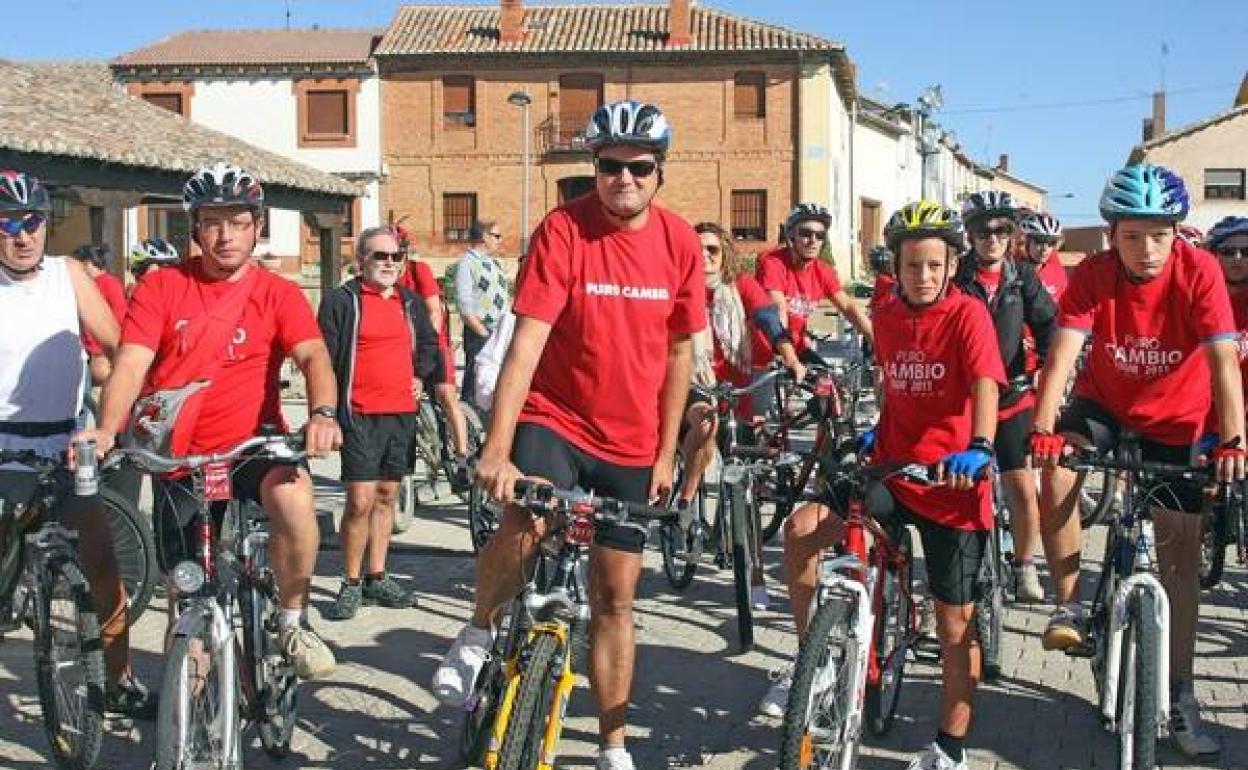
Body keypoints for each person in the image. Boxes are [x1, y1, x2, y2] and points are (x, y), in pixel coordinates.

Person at [432, 99, 705, 770]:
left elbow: (680, 356)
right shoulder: (563, 230)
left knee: (615, 597)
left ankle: (612, 744)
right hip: (555, 419)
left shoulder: (680, 244)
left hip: (634, 442)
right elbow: (527, 344)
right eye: (610, 167)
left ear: (660, 172)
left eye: (640, 168)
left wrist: (668, 452)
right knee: (527, 523)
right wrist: (495, 449)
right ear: (596, 169)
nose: (624, 180)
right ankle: (478, 630)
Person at [76, 162, 342, 680]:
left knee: (294, 497)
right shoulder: (163, 287)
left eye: (238, 222)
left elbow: (314, 358)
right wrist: (108, 429)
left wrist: (322, 413)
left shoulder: (278, 293)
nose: (225, 235)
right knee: (187, 592)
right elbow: (131, 362)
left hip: (251, 444)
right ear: (194, 227)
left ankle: (290, 621)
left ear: (257, 226)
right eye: (213, 222)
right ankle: (189, 733)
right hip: (179, 453)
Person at [765, 200, 1004, 770]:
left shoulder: (968, 314)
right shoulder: (889, 314)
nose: (923, 276)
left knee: (953, 623)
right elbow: (891, 382)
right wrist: (876, 435)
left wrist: (982, 446)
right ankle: (818, 659)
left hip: (952, 480)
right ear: (894, 266)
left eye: (934, 265)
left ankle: (950, 746)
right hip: (894, 470)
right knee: (802, 532)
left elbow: (986, 384)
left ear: (951, 265)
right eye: (912, 265)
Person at [1030, 163, 1245, 759]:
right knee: (1057, 466)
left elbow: (1225, 363)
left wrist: (1233, 441)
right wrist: (1044, 427)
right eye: (1132, 236)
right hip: (1104, 403)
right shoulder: (1094, 274)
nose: (1146, 250)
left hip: (1177, 419)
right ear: (1111, 235)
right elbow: (1064, 350)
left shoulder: (1199, 271)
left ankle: (1179, 692)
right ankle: (1069, 599)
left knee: (1180, 552)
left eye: (1159, 235)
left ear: (1176, 232)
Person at [0, 170, 155, 716]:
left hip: (66, 442)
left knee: (102, 560)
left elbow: (120, 344)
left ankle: (119, 680)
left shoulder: (69, 275)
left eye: (34, 222)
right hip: (3, 447)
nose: (23, 236)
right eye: (9, 224)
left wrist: (124, 409)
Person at [677, 221, 805, 608]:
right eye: (698, 250)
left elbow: (768, 320)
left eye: (713, 250)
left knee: (747, 484)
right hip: (694, 383)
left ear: (725, 255)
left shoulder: (743, 288)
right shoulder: (681, 288)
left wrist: (791, 359)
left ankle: (755, 576)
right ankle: (685, 502)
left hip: (740, 390)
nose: (706, 258)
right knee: (706, 423)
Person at [319, 226, 442, 619]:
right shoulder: (341, 302)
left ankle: (377, 576)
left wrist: (420, 376)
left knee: (388, 494)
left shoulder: (410, 302)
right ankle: (351, 582)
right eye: (380, 256)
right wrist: (326, 414)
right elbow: (323, 359)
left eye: (395, 257)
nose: (390, 263)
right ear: (361, 261)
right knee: (360, 501)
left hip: (400, 414)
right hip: (358, 414)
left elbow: (428, 345)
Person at [955, 191, 1057, 603]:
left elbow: (1050, 325)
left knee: (1020, 485)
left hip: (1012, 394)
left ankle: (1026, 565)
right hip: (964, 397)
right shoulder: (955, 277)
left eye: (1001, 230)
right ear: (970, 235)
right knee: (959, 484)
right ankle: (958, 564)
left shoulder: (1022, 277)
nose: (992, 238)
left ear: (1011, 234)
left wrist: (1048, 370)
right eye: (983, 231)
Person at [397, 226, 472, 489]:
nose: (391, 261)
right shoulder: (382, 280)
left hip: (433, 344)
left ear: (405, 254)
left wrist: (425, 344)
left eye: (397, 255)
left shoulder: (420, 272)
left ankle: (462, 457)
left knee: (445, 394)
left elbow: (434, 312)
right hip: (402, 349)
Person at [453, 218, 509, 402]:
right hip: (480, 331)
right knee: (474, 380)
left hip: (499, 332)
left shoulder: (495, 264)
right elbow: (463, 302)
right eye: (496, 236)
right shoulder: (466, 263)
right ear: (484, 237)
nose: (499, 240)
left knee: (494, 380)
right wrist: (482, 332)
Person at [69, 244, 127, 386]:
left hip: (98, 354)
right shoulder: (110, 282)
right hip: (97, 352)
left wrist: (97, 351)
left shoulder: (100, 284)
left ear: (87, 264)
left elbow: (117, 317)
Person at [1018, 211, 1068, 303]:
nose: (1045, 248)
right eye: (1039, 241)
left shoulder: (1057, 271)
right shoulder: (1013, 271)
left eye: (1051, 242)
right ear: (1026, 241)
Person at [867, 243, 896, 311]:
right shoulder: (883, 279)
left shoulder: (888, 278)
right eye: (890, 264)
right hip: (882, 311)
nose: (893, 266)